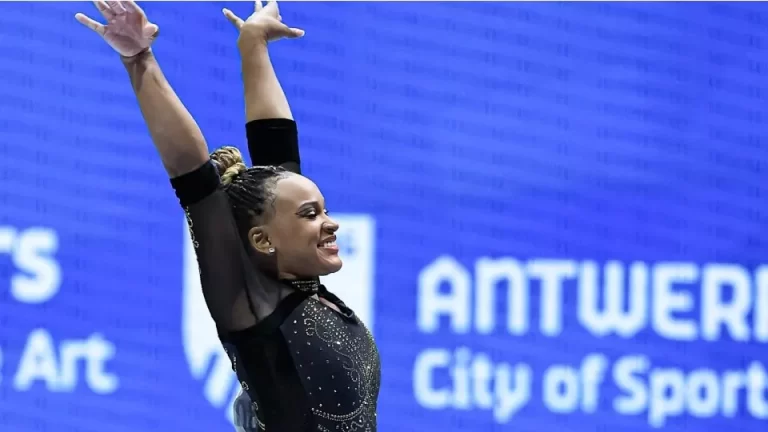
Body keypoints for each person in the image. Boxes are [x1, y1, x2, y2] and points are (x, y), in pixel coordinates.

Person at [75, 2, 381, 431]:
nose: (330, 223)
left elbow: (278, 150)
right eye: (311, 215)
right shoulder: (250, 305)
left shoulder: (301, 286)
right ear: (262, 240)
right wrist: (139, 60)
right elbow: (192, 175)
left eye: (324, 210)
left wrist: (253, 44)